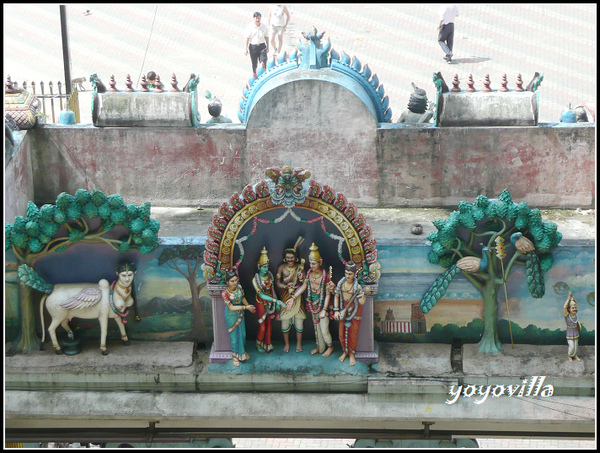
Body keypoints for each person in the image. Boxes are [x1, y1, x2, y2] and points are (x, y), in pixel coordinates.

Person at [292, 243, 335, 357]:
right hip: (313, 305)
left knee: (324, 329)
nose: (311, 265)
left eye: (314, 263)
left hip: (323, 306)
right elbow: (304, 286)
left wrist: (324, 309)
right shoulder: (310, 273)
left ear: (320, 262)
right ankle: (320, 347)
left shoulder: (325, 275)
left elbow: (327, 295)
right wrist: (293, 297)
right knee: (316, 329)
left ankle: (330, 346)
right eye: (310, 263)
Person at [275, 237, 306, 353]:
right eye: (287, 257)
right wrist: (285, 286)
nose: (290, 259)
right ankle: (286, 344)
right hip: (285, 296)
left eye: (292, 257)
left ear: (296, 257)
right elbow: (277, 283)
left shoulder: (299, 268)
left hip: (297, 296)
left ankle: (299, 344)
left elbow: (304, 283)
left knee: (299, 322)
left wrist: (301, 278)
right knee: (285, 322)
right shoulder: (281, 268)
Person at [252, 247, 285, 353]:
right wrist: (275, 301)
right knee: (262, 326)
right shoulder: (255, 279)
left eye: (267, 266)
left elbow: (272, 290)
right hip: (261, 303)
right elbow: (261, 295)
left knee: (269, 326)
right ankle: (259, 342)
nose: (266, 269)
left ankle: (268, 344)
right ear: (259, 266)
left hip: (270, 303)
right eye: (264, 267)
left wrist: (276, 302)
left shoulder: (269, 276)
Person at [334, 262, 367, 366]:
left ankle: (352, 353)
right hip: (343, 310)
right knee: (341, 334)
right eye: (346, 273)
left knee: (353, 334)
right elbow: (336, 296)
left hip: (355, 311)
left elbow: (361, 302)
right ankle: (345, 351)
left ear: (354, 274)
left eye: (350, 274)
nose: (347, 276)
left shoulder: (357, 287)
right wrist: (336, 310)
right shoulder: (341, 284)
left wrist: (365, 294)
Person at [222, 271, 256, 366]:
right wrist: (246, 308)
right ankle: (235, 357)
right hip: (231, 316)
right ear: (227, 282)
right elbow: (231, 307)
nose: (235, 282)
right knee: (234, 338)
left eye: (236, 280)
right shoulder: (225, 293)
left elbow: (243, 298)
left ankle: (242, 352)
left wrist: (249, 306)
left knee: (243, 334)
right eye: (232, 281)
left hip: (240, 314)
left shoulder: (239, 288)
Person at [245, 12, 269, 79]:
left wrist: (268, 45)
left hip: (262, 46)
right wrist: (245, 49)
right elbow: (247, 38)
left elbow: (266, 36)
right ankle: (255, 77)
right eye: (256, 18)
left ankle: (263, 76)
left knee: (263, 62)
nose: (257, 20)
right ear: (254, 18)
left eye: (258, 18)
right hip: (253, 47)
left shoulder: (263, 26)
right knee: (254, 63)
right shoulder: (250, 27)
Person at [564, 291, 583, 362]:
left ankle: (574, 355)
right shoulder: (567, 316)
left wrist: (573, 297)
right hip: (569, 332)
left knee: (576, 346)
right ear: (569, 309)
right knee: (571, 346)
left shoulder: (575, 314)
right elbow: (564, 307)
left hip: (575, 332)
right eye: (572, 308)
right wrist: (569, 298)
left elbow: (576, 303)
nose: (574, 309)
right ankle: (569, 356)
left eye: (575, 308)